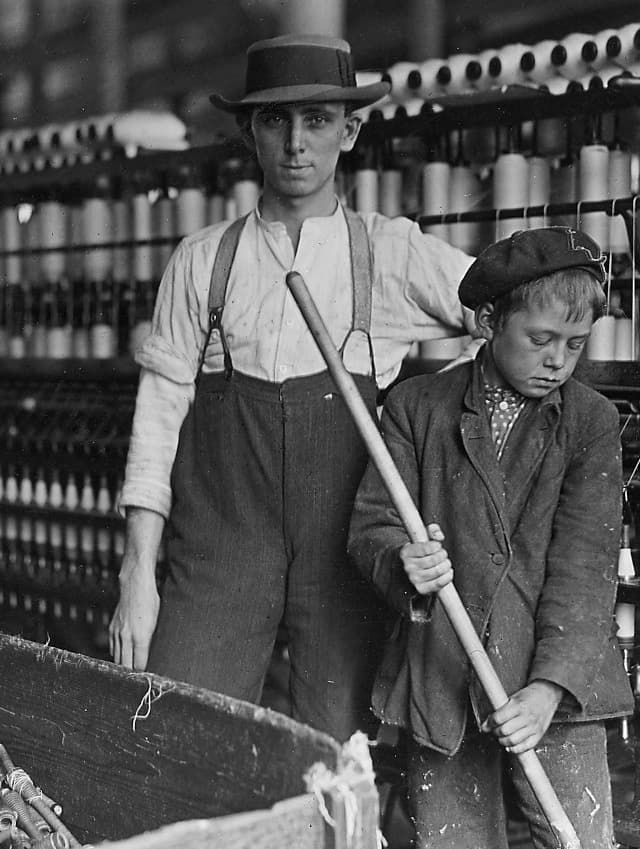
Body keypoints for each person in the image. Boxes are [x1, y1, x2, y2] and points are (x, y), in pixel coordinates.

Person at [108, 33, 477, 743]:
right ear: (249, 131)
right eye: (276, 121)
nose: (296, 144)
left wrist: (433, 423)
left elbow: (506, 306)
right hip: (220, 549)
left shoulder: (389, 252)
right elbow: (155, 425)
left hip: (342, 556)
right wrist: (136, 577)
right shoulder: (201, 262)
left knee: (335, 759)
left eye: (315, 120)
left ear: (351, 128)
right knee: (178, 733)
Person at [348, 226, 635, 848]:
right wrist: (403, 562)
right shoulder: (416, 407)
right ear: (486, 322)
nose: (558, 359)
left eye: (575, 344)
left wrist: (548, 689)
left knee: (577, 839)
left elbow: (585, 570)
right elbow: (372, 523)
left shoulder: (590, 422)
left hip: (555, 686)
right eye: (540, 340)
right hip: (444, 679)